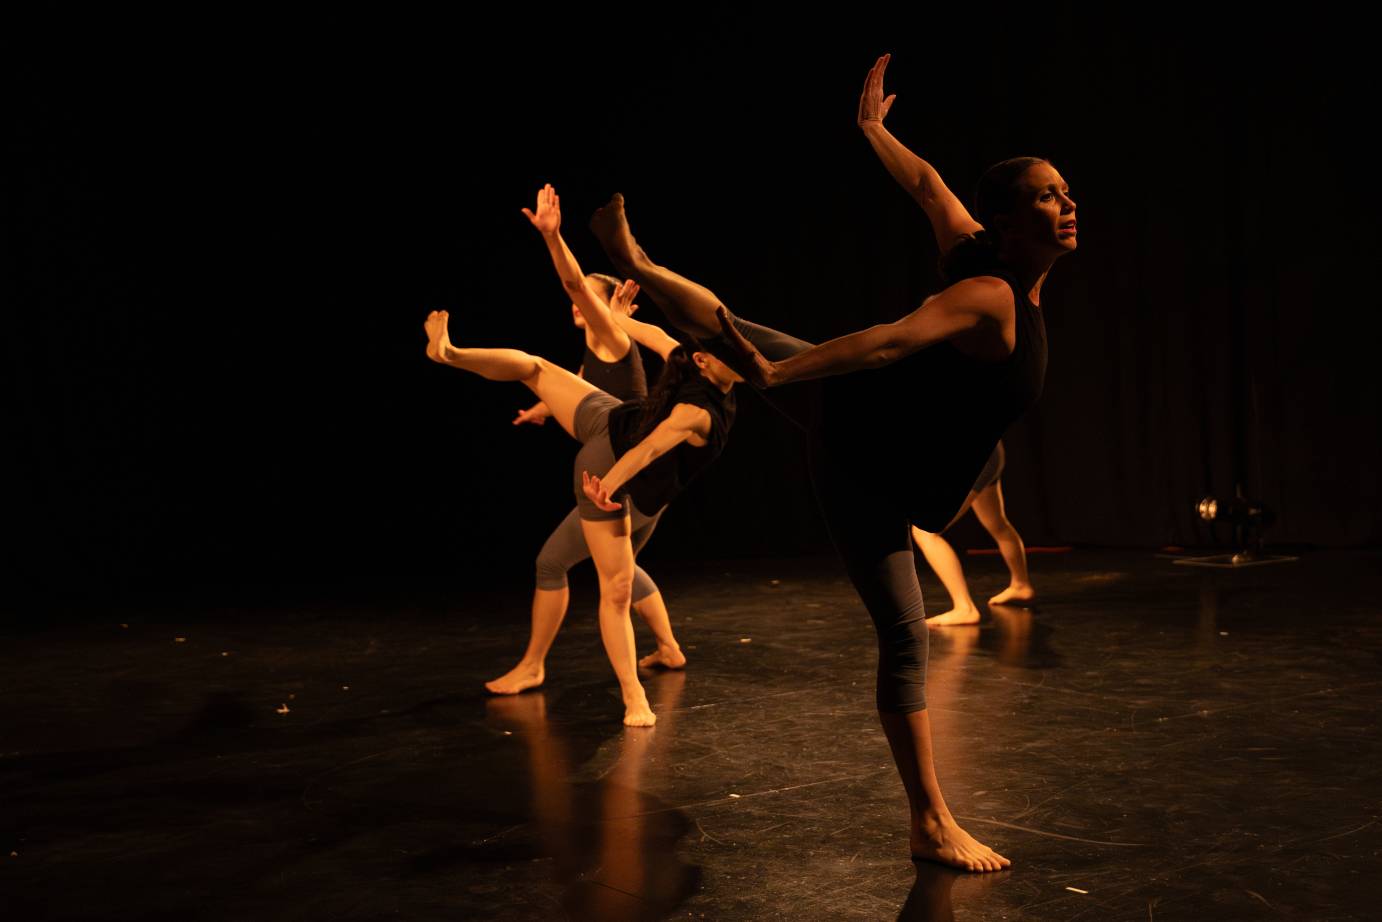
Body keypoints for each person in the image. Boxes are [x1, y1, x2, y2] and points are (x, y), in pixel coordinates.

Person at [586, 53, 1075, 870]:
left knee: (737, 334)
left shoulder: (992, 263)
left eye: (1064, 190)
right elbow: (888, 344)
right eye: (1048, 195)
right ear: (1014, 222)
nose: (1068, 204)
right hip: (862, 455)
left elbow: (926, 186)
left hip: (875, 434)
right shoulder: (987, 291)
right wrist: (775, 376)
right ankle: (930, 823)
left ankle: (642, 269)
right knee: (907, 637)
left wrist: (875, 129)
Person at [425, 184, 742, 726]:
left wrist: (608, 486)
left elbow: (646, 452)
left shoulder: (699, 414)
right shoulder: (685, 357)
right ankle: (449, 353)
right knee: (535, 367)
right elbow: (640, 335)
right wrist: (620, 321)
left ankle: (634, 697)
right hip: (611, 423)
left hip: (620, 467)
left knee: (614, 584)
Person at [486, 191, 687, 697]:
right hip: (645, 481)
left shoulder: (612, 337)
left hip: (620, 477)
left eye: (589, 300)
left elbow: (575, 282)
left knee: (552, 563)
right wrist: (539, 410)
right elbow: (576, 389)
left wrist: (554, 237)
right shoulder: (595, 351)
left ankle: (533, 665)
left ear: (603, 304)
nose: (577, 304)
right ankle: (668, 648)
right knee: (620, 570)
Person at [912, 441, 1036, 627]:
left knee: (925, 532)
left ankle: (965, 608)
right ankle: (1021, 585)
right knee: (997, 523)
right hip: (993, 453)